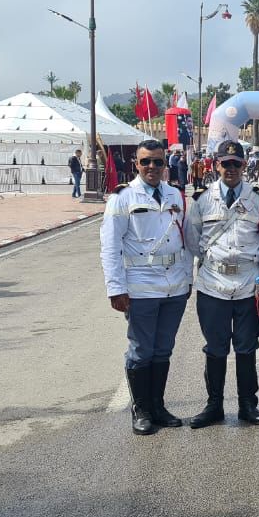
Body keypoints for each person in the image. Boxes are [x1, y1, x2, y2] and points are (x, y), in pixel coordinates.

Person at [99, 139, 193, 435]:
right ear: (136, 165)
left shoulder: (176, 195)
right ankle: (140, 409)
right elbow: (110, 246)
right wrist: (116, 288)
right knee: (141, 350)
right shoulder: (122, 198)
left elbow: (186, 241)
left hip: (174, 286)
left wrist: (188, 279)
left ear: (165, 164)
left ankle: (158, 406)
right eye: (146, 162)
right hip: (140, 286)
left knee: (164, 349)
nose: (152, 167)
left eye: (157, 161)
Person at [182, 140, 259, 429]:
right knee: (216, 348)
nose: (230, 168)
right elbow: (192, 242)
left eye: (236, 163)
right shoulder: (201, 200)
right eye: (225, 163)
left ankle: (248, 405)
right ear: (215, 164)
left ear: (245, 165)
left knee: (246, 348)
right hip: (213, 284)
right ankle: (214, 405)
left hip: (247, 284)